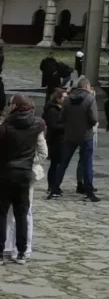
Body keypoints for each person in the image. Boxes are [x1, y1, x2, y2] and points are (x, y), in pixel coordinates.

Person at [0, 94, 45, 265]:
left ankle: (1, 251)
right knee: (21, 213)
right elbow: (42, 151)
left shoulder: (6, 126)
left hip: (6, 173)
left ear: (15, 106)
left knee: (2, 213)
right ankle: (21, 251)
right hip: (24, 173)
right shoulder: (36, 125)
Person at [49, 76, 99, 202]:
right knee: (87, 163)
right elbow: (94, 119)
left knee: (63, 163)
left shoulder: (67, 100)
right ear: (87, 86)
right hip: (86, 135)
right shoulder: (90, 98)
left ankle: (55, 189)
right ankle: (89, 192)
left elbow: (61, 118)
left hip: (69, 135)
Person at [42, 89, 65, 197]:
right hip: (55, 140)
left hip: (60, 139)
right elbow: (54, 126)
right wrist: (67, 126)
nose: (65, 99)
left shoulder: (60, 109)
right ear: (58, 98)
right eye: (64, 97)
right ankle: (51, 185)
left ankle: (55, 185)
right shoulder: (52, 110)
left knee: (57, 163)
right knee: (55, 164)